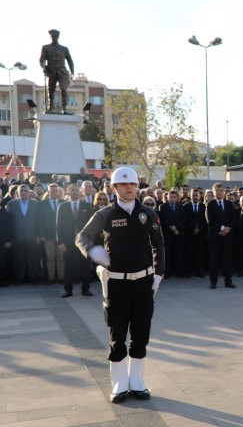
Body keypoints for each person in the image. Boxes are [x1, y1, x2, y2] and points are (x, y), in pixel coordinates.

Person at [76, 167, 165, 404]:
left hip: (144, 283)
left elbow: (159, 245)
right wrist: (92, 252)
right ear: (114, 187)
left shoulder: (148, 213)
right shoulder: (105, 214)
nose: (129, 188)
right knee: (117, 335)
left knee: (141, 334)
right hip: (117, 283)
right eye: (124, 185)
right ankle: (119, 384)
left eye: (132, 184)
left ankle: (137, 382)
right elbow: (82, 237)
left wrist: (159, 274)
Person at [58, 184, 94, 297]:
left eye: (76, 190)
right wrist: (61, 242)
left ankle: (86, 289)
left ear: (80, 192)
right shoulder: (62, 206)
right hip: (68, 241)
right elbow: (58, 225)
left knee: (85, 266)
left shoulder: (86, 206)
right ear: (68, 192)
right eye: (72, 190)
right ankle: (68, 290)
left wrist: (91, 240)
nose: (74, 192)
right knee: (69, 266)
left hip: (84, 241)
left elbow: (92, 224)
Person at [7, 184, 42, 284]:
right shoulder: (11, 204)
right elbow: (9, 221)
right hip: (17, 236)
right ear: (17, 193)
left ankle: (32, 278)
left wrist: (38, 235)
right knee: (19, 259)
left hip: (32, 236)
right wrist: (10, 237)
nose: (23, 193)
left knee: (33, 258)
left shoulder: (36, 204)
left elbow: (39, 220)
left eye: (25, 191)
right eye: (21, 191)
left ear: (29, 192)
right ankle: (20, 279)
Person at [205, 183, 237, 289]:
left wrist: (227, 229)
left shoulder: (229, 204)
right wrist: (222, 228)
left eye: (221, 190)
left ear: (224, 192)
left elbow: (233, 219)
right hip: (215, 236)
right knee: (214, 260)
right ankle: (213, 282)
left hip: (227, 236)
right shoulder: (210, 204)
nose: (219, 192)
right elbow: (210, 220)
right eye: (217, 190)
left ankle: (228, 281)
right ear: (213, 192)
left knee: (227, 260)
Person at [39, 29, 75, 113]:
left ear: (58, 37)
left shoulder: (64, 49)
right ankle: (51, 106)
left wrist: (72, 72)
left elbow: (70, 60)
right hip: (51, 71)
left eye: (55, 36)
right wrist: (44, 67)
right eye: (52, 36)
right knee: (51, 89)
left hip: (62, 71)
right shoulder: (46, 47)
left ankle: (64, 107)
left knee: (64, 89)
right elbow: (41, 60)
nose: (53, 37)